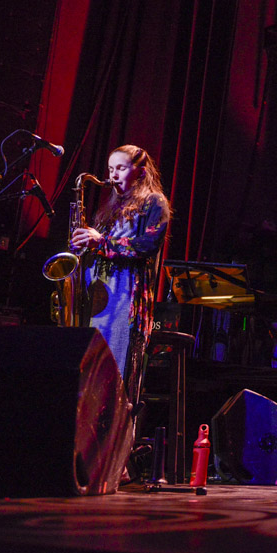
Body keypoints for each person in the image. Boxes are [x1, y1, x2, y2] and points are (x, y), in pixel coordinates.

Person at [70, 145, 171, 405]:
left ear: (141, 171)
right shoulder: (111, 207)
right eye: (111, 169)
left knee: (116, 378)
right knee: (91, 377)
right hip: (99, 296)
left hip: (126, 299)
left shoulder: (154, 201)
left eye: (121, 168)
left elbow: (146, 247)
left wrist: (100, 242)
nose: (113, 175)